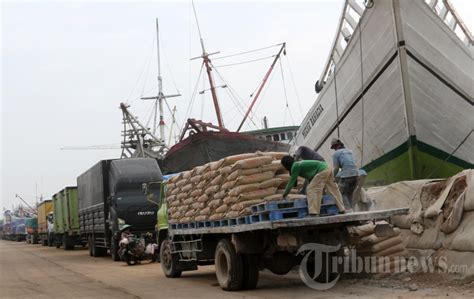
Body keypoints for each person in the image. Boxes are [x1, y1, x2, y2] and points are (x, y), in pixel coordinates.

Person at [280, 155, 346, 216]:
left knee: (311, 189)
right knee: (333, 190)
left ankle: (314, 212)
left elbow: (291, 182)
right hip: (327, 168)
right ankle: (342, 209)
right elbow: (310, 178)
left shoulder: (295, 166)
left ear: (286, 165)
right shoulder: (299, 164)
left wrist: (284, 194)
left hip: (322, 170)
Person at [331, 138, 359, 211]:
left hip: (347, 175)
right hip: (356, 174)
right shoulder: (350, 151)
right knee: (349, 193)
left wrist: (332, 177)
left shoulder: (336, 153)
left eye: (333, 148)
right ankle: (351, 209)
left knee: (341, 193)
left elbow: (336, 168)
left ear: (335, 147)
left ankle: (348, 210)